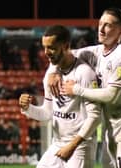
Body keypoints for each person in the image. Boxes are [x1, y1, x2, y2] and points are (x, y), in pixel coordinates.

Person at [47, 8, 121, 168]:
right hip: (110, 132)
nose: (101, 29)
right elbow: (64, 54)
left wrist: (76, 90)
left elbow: (112, 95)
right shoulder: (95, 52)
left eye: (108, 25)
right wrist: (54, 71)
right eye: (100, 23)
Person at [19, 25, 101, 168]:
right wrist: (27, 108)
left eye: (51, 48)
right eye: (44, 47)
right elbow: (47, 113)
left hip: (80, 146)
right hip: (57, 143)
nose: (46, 52)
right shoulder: (50, 75)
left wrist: (73, 145)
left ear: (66, 46)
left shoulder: (84, 73)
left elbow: (95, 117)